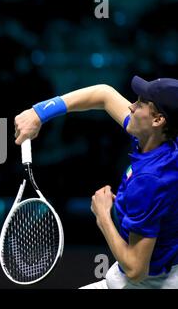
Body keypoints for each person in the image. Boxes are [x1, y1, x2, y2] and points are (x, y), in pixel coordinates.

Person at [14, 76, 178, 288]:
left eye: (140, 103)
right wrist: (39, 112)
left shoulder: (150, 182)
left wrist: (103, 215)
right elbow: (103, 95)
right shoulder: (159, 140)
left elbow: (136, 269)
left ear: (158, 120)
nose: (131, 106)